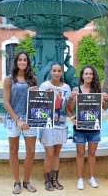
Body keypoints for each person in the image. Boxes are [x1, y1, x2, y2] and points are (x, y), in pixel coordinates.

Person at [67, 65, 108, 190]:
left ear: (93, 75)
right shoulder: (76, 89)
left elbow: (105, 108)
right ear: (82, 76)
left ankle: (91, 177)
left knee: (92, 153)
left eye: (90, 73)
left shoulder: (97, 90)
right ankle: (80, 178)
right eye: (86, 74)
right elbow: (70, 109)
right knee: (80, 153)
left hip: (94, 127)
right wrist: (71, 99)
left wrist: (105, 99)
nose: (88, 76)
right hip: (80, 128)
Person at [3, 50, 38, 194]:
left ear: (28, 62)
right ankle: (17, 182)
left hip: (30, 120)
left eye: (25, 60)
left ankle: (26, 181)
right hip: (14, 120)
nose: (22, 62)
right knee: (13, 150)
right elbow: (5, 102)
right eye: (20, 60)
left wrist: (39, 92)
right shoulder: (9, 79)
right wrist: (17, 120)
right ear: (16, 62)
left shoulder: (33, 79)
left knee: (30, 151)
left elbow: (37, 102)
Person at [39, 63, 71, 191]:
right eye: (54, 71)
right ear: (50, 72)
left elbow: (67, 107)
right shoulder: (44, 86)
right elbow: (38, 105)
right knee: (49, 153)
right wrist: (44, 95)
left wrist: (72, 116)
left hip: (61, 124)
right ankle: (47, 180)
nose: (56, 73)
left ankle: (54, 179)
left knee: (57, 152)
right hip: (48, 125)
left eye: (59, 71)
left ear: (62, 72)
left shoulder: (67, 88)